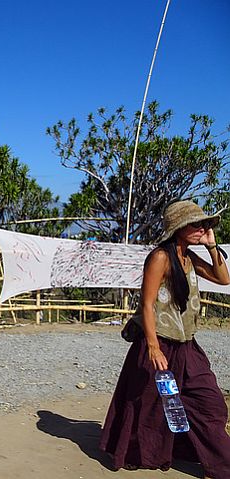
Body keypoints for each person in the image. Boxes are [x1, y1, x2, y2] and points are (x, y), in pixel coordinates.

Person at [100, 200, 230, 478]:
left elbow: (223, 279)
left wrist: (210, 244)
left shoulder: (189, 257)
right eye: (196, 224)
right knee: (152, 405)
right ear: (179, 227)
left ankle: (213, 460)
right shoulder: (160, 257)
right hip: (159, 343)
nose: (202, 228)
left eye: (205, 223)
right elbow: (147, 305)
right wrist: (153, 347)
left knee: (210, 402)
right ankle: (144, 452)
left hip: (187, 345)